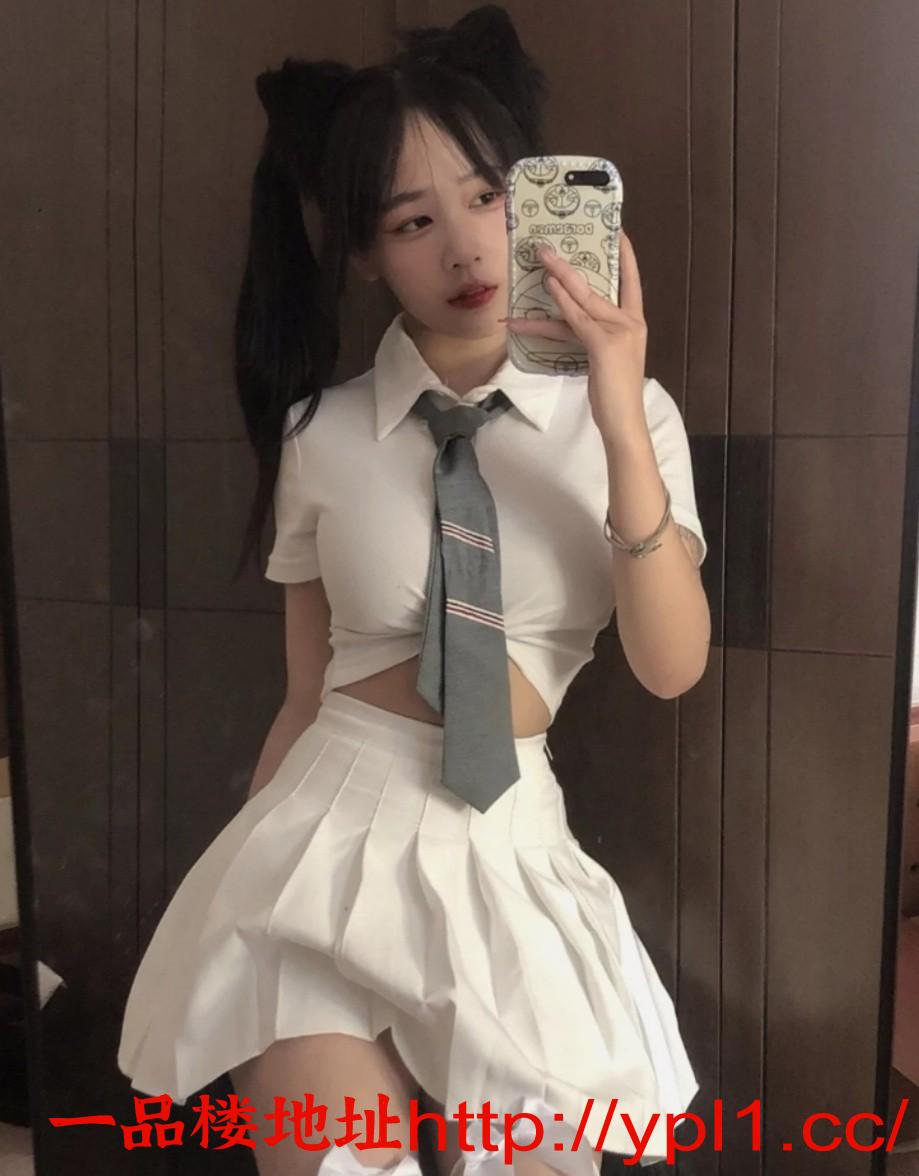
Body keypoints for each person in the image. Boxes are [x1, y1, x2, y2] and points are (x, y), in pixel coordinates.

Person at [117, 6, 710, 1175]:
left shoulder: (630, 418)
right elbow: (304, 694)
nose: (467, 250)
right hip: (325, 834)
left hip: (510, 844)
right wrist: (242, 872)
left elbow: (669, 665)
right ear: (364, 253)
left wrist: (614, 413)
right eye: (413, 221)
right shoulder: (321, 434)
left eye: (489, 198)